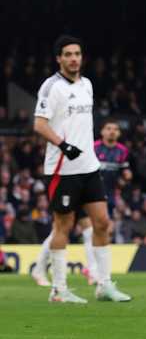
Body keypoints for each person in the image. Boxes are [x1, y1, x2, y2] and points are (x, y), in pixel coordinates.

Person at [32, 36, 131, 303]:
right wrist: (63, 145)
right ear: (59, 59)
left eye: (77, 53)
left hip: (89, 167)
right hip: (63, 169)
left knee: (102, 223)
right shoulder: (51, 87)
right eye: (68, 54)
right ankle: (59, 290)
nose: (74, 58)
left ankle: (103, 285)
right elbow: (39, 125)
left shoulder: (87, 84)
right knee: (63, 226)